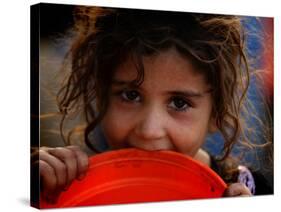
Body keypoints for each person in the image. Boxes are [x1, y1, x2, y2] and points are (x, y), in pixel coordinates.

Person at [33, 6, 273, 204]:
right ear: (101, 93)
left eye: (179, 103)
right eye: (130, 96)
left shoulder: (250, 193)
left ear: (216, 113)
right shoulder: (71, 185)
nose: (149, 131)